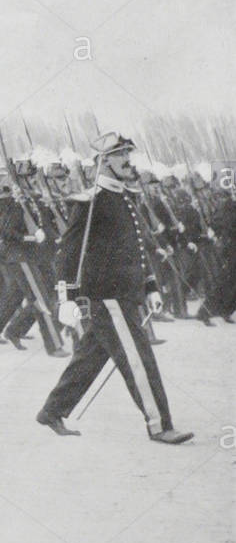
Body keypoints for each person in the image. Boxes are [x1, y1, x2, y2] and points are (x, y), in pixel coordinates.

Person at [36, 132, 193, 444]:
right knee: (139, 359)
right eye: (120, 156)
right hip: (107, 297)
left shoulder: (124, 197)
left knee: (90, 357)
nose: (127, 161)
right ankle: (160, 425)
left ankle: (52, 411)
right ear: (102, 162)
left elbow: (136, 248)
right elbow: (68, 252)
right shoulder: (90, 202)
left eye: (128, 155)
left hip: (124, 294)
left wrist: (149, 286)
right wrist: (66, 296)